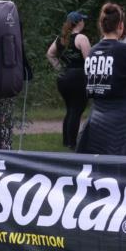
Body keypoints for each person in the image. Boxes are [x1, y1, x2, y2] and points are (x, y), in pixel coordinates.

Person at [75, 3, 126, 156]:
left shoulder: (92, 52)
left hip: (97, 116)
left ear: (101, 26)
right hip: (125, 117)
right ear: (121, 26)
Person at [47, 11, 92, 149]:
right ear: (79, 22)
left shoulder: (62, 38)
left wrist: (60, 69)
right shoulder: (82, 38)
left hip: (63, 78)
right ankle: (72, 143)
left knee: (70, 109)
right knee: (76, 109)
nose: (84, 22)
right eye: (83, 20)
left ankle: (66, 141)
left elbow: (50, 54)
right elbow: (90, 61)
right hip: (78, 77)